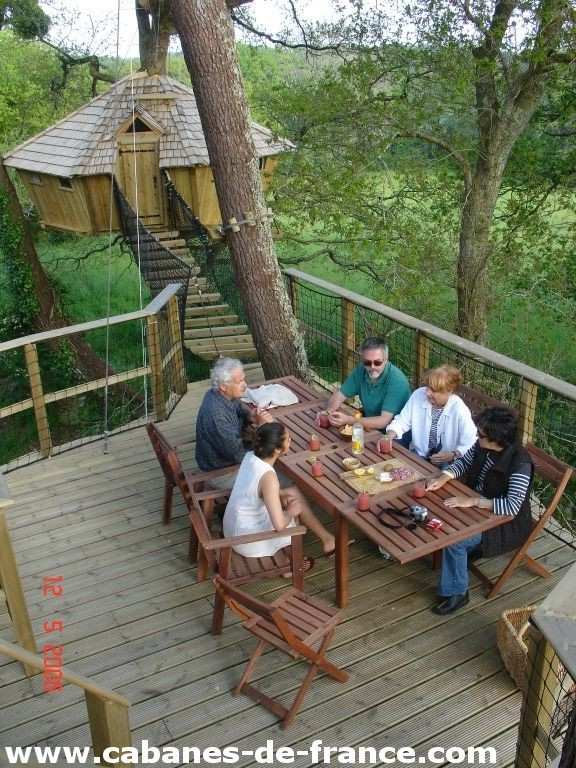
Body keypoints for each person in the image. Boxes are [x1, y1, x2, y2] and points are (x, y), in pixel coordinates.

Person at [426, 407, 534, 615]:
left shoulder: (520, 463)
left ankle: (458, 593)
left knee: (454, 539)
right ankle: (458, 565)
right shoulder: (483, 446)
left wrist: (473, 501)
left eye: (481, 435)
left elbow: (512, 507)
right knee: (437, 506)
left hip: (503, 523)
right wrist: (443, 478)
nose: (477, 436)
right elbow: (463, 463)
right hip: (478, 507)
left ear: (497, 439)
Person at [223, 423, 336, 559]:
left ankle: (323, 541)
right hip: (247, 541)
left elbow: (252, 489)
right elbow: (280, 525)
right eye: (288, 439)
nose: (290, 441)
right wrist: (291, 512)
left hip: (232, 528)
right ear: (277, 449)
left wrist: (281, 494)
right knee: (293, 518)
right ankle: (290, 563)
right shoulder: (268, 477)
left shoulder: (250, 456)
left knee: (290, 498)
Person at [195, 358, 272, 488]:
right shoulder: (216, 416)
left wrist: (251, 416)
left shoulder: (219, 394)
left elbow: (238, 408)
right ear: (223, 386)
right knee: (284, 476)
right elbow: (239, 455)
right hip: (221, 472)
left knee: (276, 453)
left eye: (244, 379)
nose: (245, 384)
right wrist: (263, 429)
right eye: (239, 381)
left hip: (223, 459)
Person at [385, 365, 477, 466]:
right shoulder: (418, 395)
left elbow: (471, 442)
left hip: (447, 462)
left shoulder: (459, 409)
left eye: (434, 390)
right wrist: (389, 436)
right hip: (418, 454)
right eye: (428, 387)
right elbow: (402, 421)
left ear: (449, 391)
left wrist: (453, 454)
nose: (428, 393)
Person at [327, 337, 411, 432]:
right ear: (362, 359)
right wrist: (329, 412)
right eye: (367, 362)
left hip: (395, 434)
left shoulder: (397, 381)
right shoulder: (361, 370)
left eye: (377, 362)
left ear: (386, 359)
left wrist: (348, 420)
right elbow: (339, 395)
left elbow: (383, 421)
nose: (372, 367)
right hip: (370, 426)